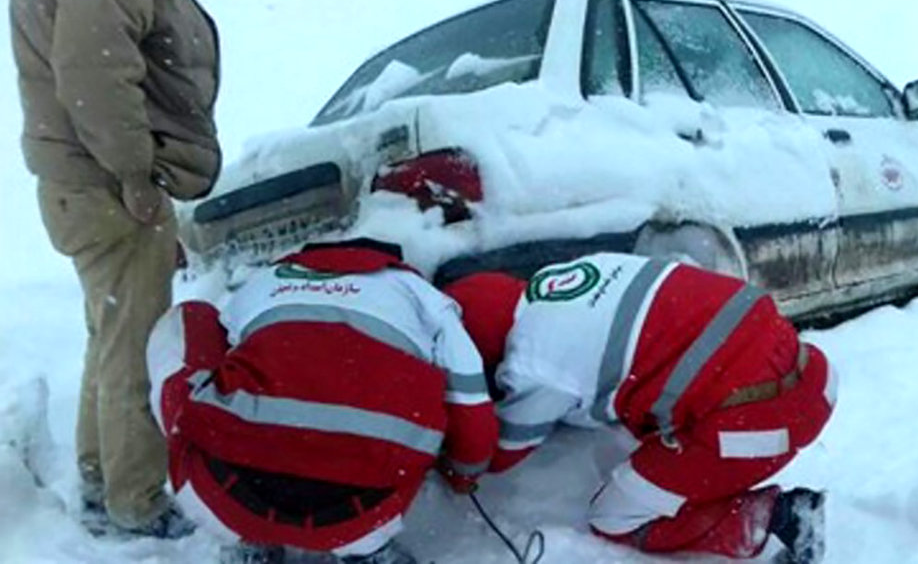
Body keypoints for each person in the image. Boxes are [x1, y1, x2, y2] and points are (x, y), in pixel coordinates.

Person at [9, 0, 233, 538]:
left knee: (113, 333)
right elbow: (93, 72)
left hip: (91, 178)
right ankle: (136, 500)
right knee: (135, 344)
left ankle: (100, 478)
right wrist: (137, 178)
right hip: (107, 181)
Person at [444, 253, 838, 564]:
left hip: (760, 419)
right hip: (802, 366)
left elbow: (499, 452)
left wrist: (452, 464)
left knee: (614, 518)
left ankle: (780, 516)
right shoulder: (569, 275)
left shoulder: (534, 361)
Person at [147, 239, 500, 564]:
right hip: (365, 509)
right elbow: (469, 402)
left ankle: (247, 540)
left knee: (192, 318)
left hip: (229, 495)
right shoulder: (422, 295)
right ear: (390, 263)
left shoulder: (261, 283)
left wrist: (188, 439)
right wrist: (463, 473)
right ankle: (367, 552)